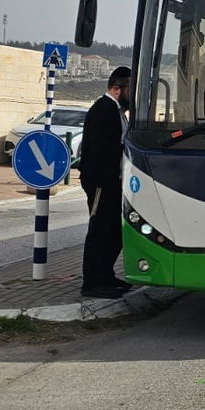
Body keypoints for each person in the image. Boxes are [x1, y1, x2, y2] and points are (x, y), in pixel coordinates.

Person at [78, 66, 132, 297]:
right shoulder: (103, 109)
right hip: (102, 183)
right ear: (118, 88)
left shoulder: (117, 111)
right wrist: (112, 180)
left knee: (113, 231)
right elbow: (103, 151)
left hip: (114, 183)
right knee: (99, 230)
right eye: (131, 89)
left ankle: (106, 276)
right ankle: (93, 283)